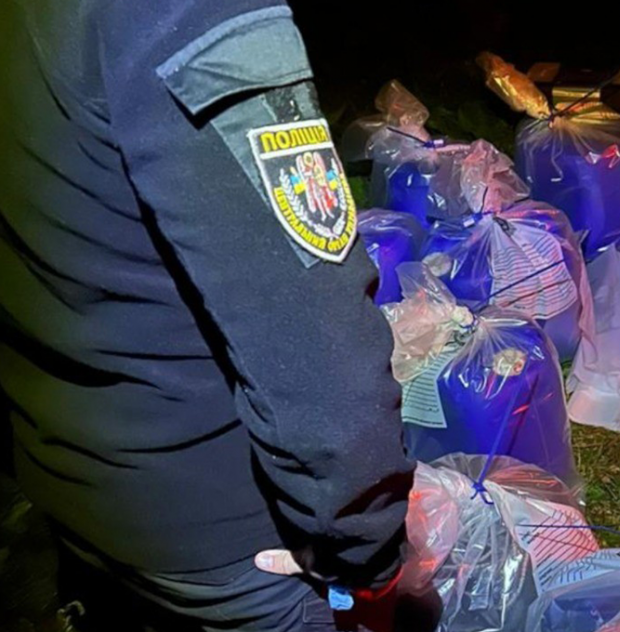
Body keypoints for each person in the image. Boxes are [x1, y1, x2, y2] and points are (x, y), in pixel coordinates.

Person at [0, 1, 416, 630]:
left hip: (68, 473)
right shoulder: (185, 10)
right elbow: (316, 347)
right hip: (226, 538)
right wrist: (367, 557)